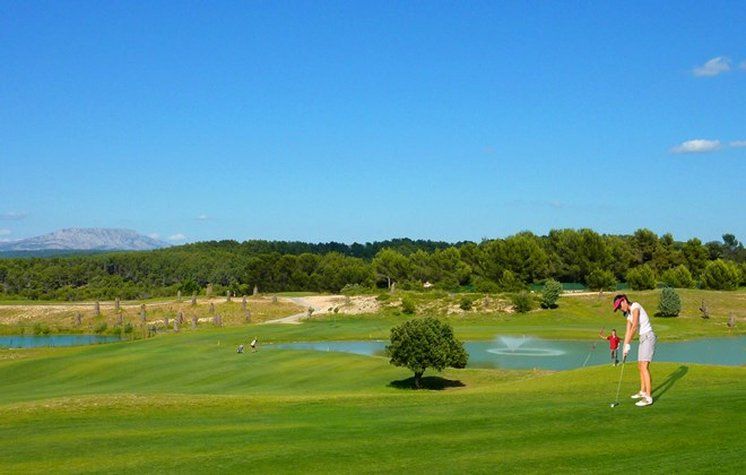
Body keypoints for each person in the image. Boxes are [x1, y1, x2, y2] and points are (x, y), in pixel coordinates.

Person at [613, 294, 656, 407]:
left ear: (624, 301)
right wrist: (625, 347)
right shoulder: (629, 315)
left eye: (619, 306)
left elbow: (635, 326)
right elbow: (628, 331)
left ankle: (648, 397)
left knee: (644, 366)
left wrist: (629, 343)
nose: (619, 308)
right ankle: (642, 391)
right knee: (639, 365)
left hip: (648, 336)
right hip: (642, 338)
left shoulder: (635, 307)